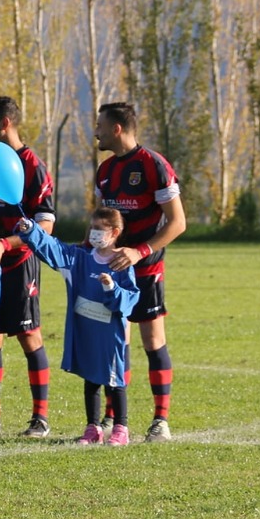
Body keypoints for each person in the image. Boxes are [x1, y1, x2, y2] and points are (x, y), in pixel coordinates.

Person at [94, 102, 186, 443]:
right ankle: (112, 419)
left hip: (146, 270)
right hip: (110, 272)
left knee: (152, 341)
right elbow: (101, 222)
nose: (96, 131)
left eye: (100, 125)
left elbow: (178, 223)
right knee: (114, 343)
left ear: (117, 128)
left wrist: (139, 251)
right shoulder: (104, 170)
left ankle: (160, 421)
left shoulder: (154, 165)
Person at [15, 208, 142, 446]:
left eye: (100, 229)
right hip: (85, 330)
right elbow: (53, 249)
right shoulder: (79, 258)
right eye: (92, 228)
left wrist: (111, 288)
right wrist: (31, 230)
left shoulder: (122, 262)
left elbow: (130, 300)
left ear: (115, 232)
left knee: (115, 380)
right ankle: (92, 428)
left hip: (110, 333)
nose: (94, 234)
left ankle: (120, 428)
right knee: (90, 376)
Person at [0, 96, 57, 438]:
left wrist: (6, 243)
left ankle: (40, 419)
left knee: (28, 336)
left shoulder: (31, 165)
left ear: (4, 123)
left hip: (20, 263)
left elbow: (46, 225)